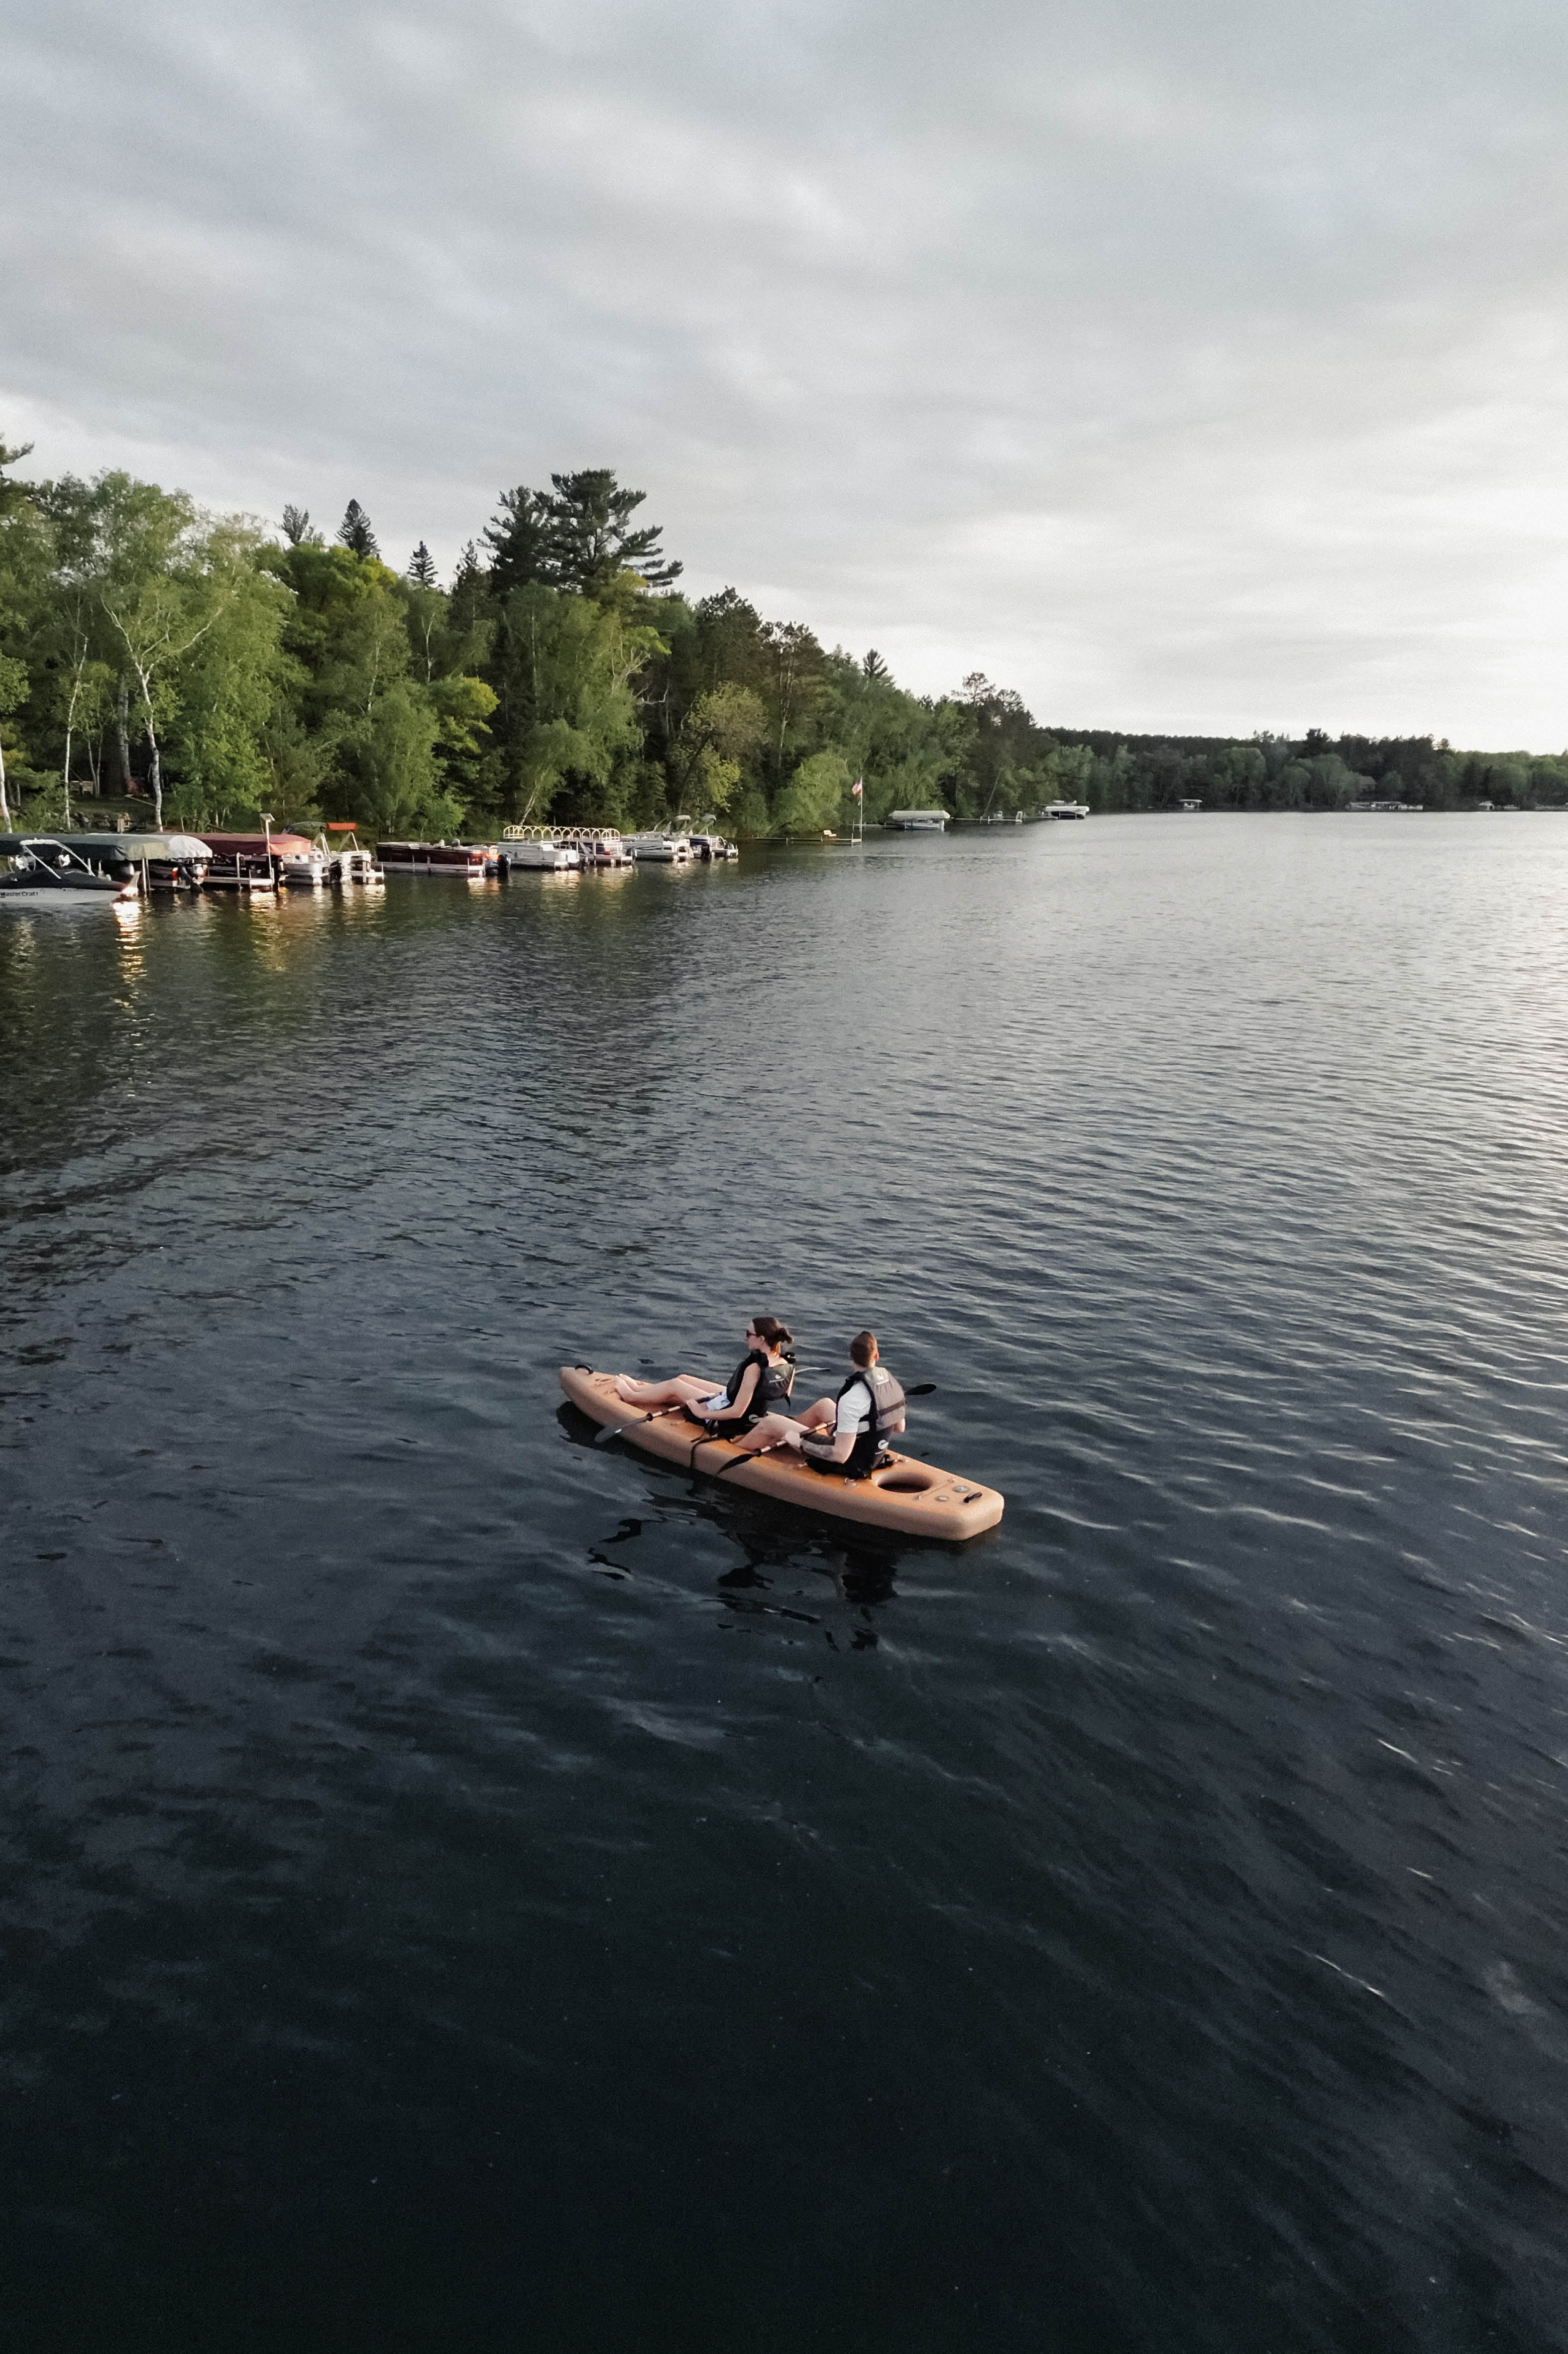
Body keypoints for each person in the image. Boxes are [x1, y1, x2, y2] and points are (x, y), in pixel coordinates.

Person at [728, 1330, 906, 1477]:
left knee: (770, 1422)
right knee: (825, 1405)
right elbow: (899, 1427)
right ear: (877, 1356)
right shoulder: (891, 1385)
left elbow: (840, 1455)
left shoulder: (852, 1398)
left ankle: (730, 1449)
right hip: (870, 1453)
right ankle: (778, 1435)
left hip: (851, 1464)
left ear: (851, 1358)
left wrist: (800, 1442)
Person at [613, 1318, 796, 1434]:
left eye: (749, 1334)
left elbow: (737, 1411)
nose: (746, 1338)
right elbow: (782, 1394)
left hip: (731, 1420)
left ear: (762, 1339)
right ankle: (641, 1389)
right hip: (750, 1413)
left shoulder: (755, 1368)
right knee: (684, 1378)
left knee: (676, 1385)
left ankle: (632, 1396)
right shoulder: (787, 1365)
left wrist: (703, 1412)